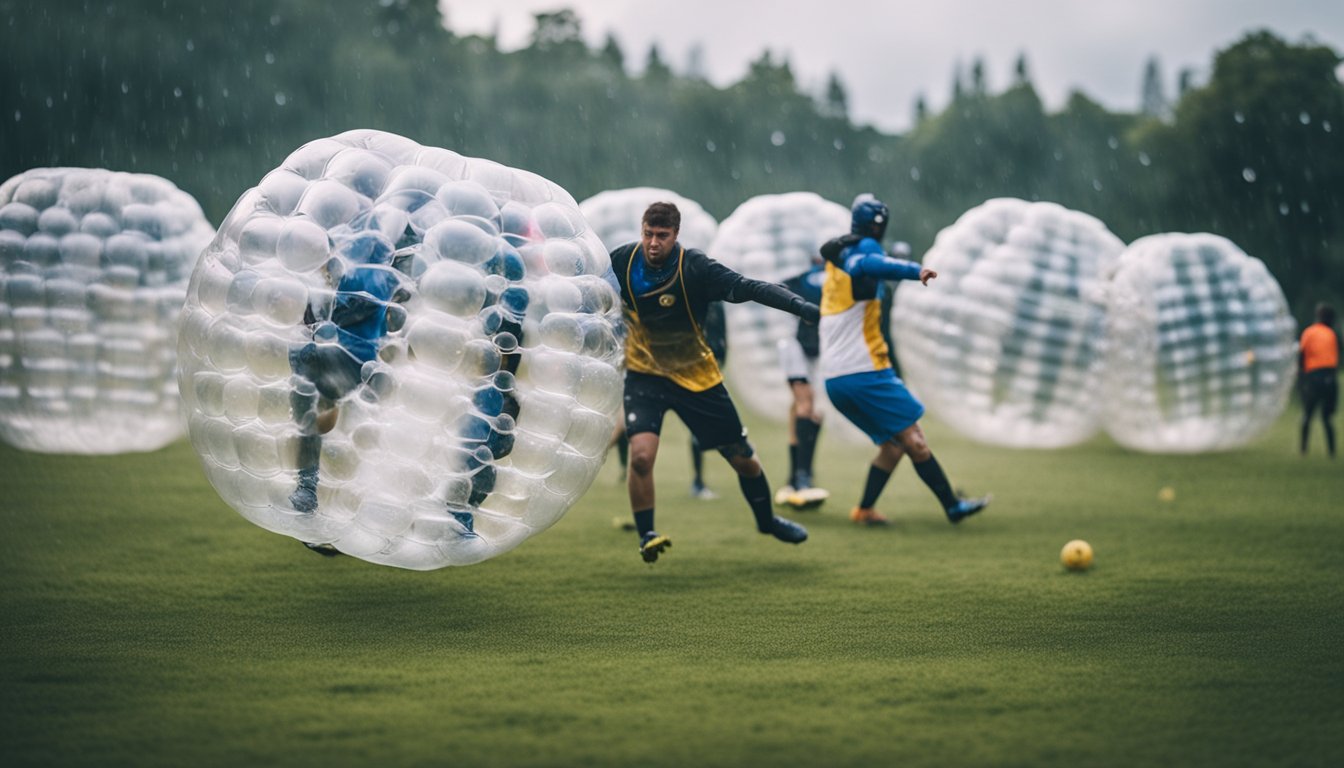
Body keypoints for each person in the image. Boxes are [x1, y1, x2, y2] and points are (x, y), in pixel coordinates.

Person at [611, 201, 819, 563]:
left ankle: (767, 521)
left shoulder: (695, 267)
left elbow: (750, 287)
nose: (653, 243)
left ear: (676, 235)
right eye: (648, 234)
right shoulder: (622, 261)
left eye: (662, 236)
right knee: (641, 458)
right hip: (644, 375)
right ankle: (647, 534)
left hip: (697, 378)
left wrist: (800, 306)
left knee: (743, 460)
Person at [818, 194, 989, 526]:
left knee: (894, 446)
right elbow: (867, 265)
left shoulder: (836, 257)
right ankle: (952, 506)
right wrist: (915, 270)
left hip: (836, 379)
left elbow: (846, 262)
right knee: (915, 440)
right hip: (864, 370)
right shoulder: (864, 250)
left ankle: (864, 510)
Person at [772, 256, 831, 510]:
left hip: (807, 349)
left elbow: (778, 288)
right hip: (802, 349)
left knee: (803, 411)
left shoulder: (802, 278)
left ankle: (797, 476)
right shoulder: (836, 280)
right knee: (807, 408)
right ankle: (803, 476)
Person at [1299, 302, 1339, 457]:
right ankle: (1332, 452)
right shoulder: (1333, 334)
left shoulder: (1309, 332)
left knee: (1307, 415)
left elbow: (1301, 357)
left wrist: (1301, 379)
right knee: (1327, 417)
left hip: (1313, 377)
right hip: (1329, 378)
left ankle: (1303, 450)